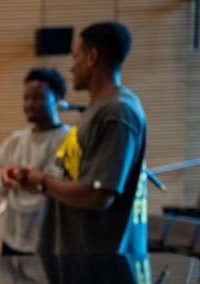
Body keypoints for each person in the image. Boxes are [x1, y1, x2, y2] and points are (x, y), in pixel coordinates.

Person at [11, 22, 148, 256]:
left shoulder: (117, 112)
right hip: (75, 257)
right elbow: (74, 177)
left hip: (98, 266)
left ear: (92, 57)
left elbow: (98, 195)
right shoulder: (97, 109)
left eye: (75, 57)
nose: (71, 67)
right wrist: (33, 180)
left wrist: (43, 183)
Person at [0, 68, 71, 255]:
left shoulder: (68, 139)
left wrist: (29, 180)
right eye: (26, 98)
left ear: (57, 99)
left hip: (50, 242)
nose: (30, 104)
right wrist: (6, 177)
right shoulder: (15, 140)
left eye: (37, 97)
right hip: (11, 239)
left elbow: (59, 188)